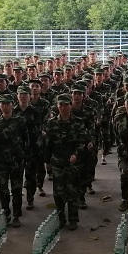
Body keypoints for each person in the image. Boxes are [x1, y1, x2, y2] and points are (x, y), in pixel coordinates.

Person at [40, 93, 88, 230]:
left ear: (70, 106)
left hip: (73, 163)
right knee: (58, 193)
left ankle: (73, 219)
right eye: (60, 105)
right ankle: (61, 218)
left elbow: (82, 141)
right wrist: (47, 161)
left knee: (72, 191)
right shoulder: (51, 123)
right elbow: (48, 144)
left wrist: (76, 155)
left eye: (66, 105)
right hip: (57, 162)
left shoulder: (78, 123)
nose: (63, 107)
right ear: (57, 106)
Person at [0, 94, 29, 226]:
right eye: (3, 104)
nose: (5, 106)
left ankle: (16, 215)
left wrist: (24, 156)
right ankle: (5, 213)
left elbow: (26, 140)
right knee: (3, 189)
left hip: (16, 161)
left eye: (8, 103)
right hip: (1, 162)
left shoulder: (20, 121)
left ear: (12, 105)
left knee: (16, 189)